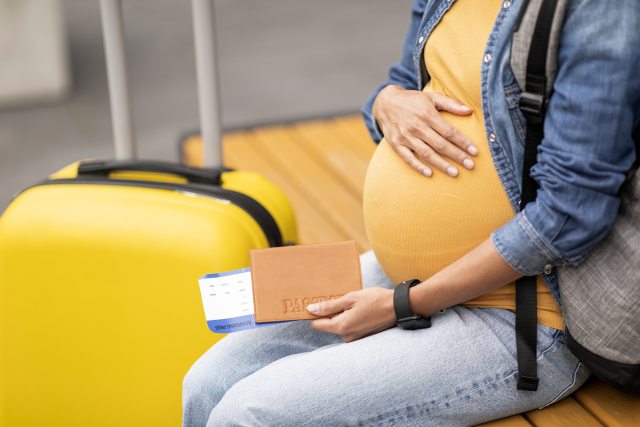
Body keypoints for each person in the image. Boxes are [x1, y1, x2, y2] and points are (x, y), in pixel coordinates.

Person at [182, 0, 640, 425]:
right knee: (207, 383)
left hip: (522, 313)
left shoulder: (599, 9)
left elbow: (571, 214)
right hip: (406, 276)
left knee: (248, 414)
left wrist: (403, 304)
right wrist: (385, 103)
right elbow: (404, 82)